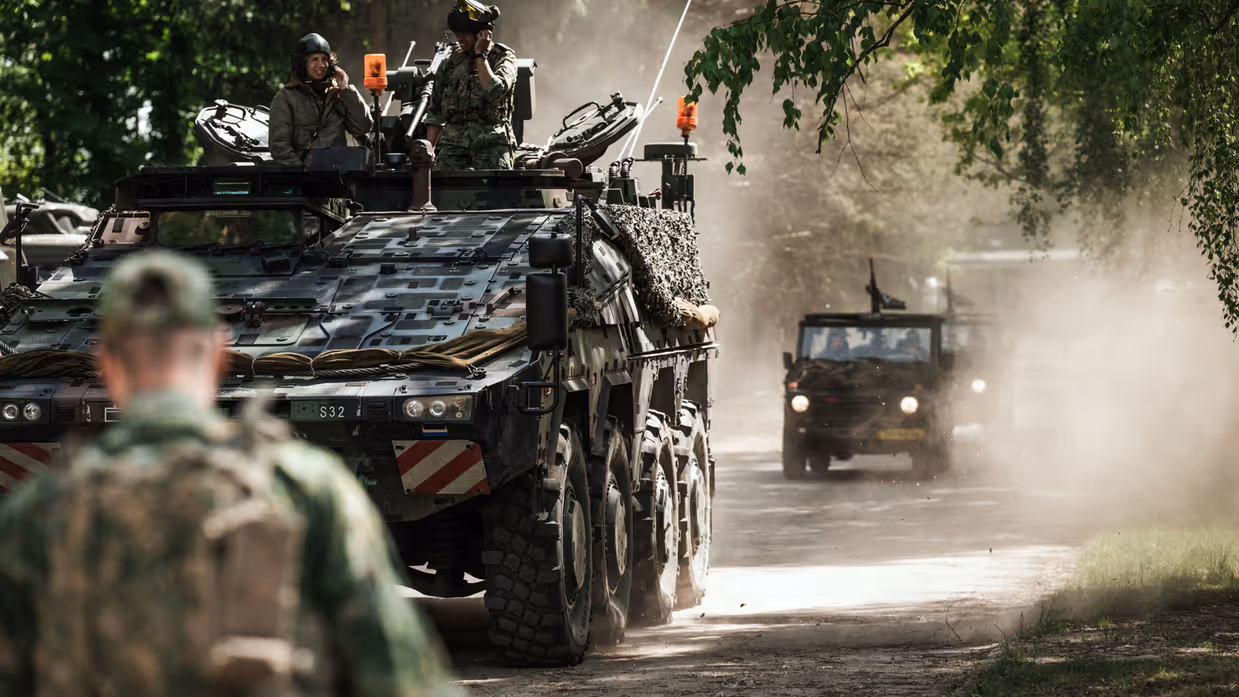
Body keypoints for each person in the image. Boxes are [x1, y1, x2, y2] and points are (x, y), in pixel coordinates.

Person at [0, 251, 466, 696]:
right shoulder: (307, 487)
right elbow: (401, 679)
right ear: (221, 353)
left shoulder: (37, 512)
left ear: (103, 362)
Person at [424, 1, 518, 170]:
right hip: (453, 146)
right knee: (439, 183)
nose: (459, 38)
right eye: (457, 33)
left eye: (465, 33)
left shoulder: (503, 57)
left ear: (482, 33)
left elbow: (494, 90)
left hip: (491, 144)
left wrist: (480, 55)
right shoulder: (450, 61)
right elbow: (436, 110)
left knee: (496, 184)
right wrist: (428, 150)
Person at [270, 33, 374, 166]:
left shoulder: (338, 95)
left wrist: (346, 90)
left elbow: (363, 127)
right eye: (314, 59)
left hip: (338, 174)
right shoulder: (285, 98)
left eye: (324, 59)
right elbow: (280, 147)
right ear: (303, 64)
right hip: (305, 175)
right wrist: (301, 173)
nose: (321, 65)